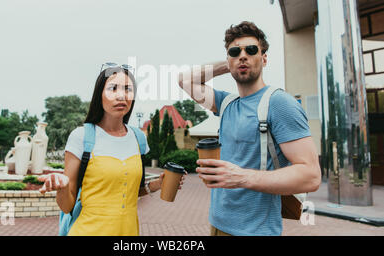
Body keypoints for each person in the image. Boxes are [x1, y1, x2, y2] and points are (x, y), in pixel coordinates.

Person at [178, 21, 321, 236]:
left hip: (256, 231)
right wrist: (232, 62)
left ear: (264, 58)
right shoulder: (225, 103)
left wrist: (242, 177)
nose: (243, 55)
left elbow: (311, 176)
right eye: (235, 51)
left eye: (251, 50)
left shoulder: (279, 104)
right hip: (217, 225)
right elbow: (185, 80)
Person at [39, 63, 185, 236]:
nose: (121, 95)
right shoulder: (82, 137)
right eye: (113, 88)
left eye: (127, 89)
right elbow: (66, 206)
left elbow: (130, 191)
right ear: (99, 95)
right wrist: (62, 188)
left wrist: (158, 185)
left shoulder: (139, 139)